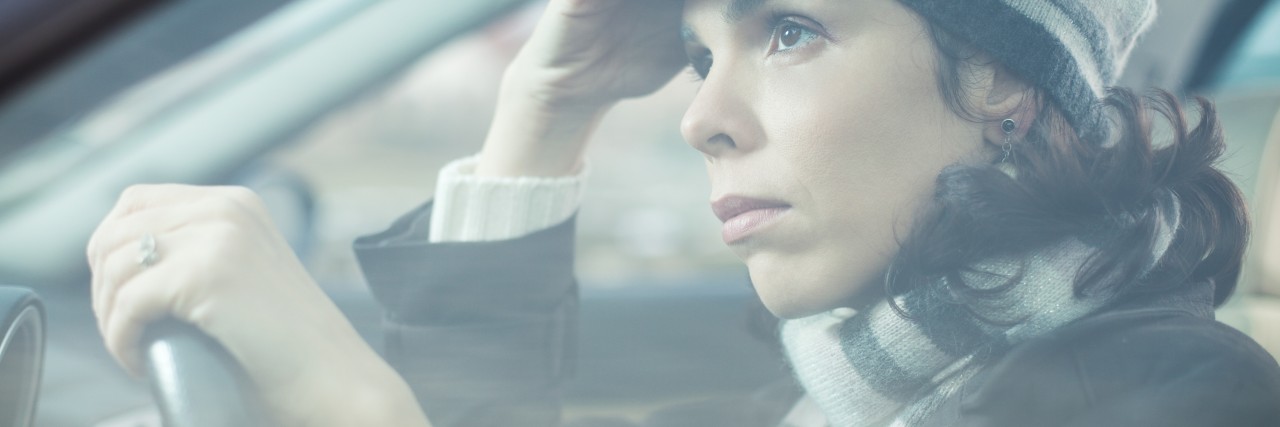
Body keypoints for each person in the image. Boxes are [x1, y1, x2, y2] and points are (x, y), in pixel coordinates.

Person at [85, 0, 1280, 425]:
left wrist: (356, 413)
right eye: (700, 51)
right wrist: (541, 114)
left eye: (789, 31)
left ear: (1004, 87)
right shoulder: (840, 381)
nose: (698, 114)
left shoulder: (1187, 399)